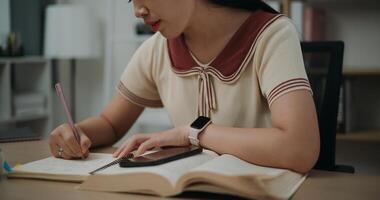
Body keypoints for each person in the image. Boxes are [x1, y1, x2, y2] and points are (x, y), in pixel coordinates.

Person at [49, 0, 320, 173]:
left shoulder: (272, 35)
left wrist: (191, 134)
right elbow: (110, 123)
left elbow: (299, 148)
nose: (137, 11)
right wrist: (77, 132)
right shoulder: (157, 49)